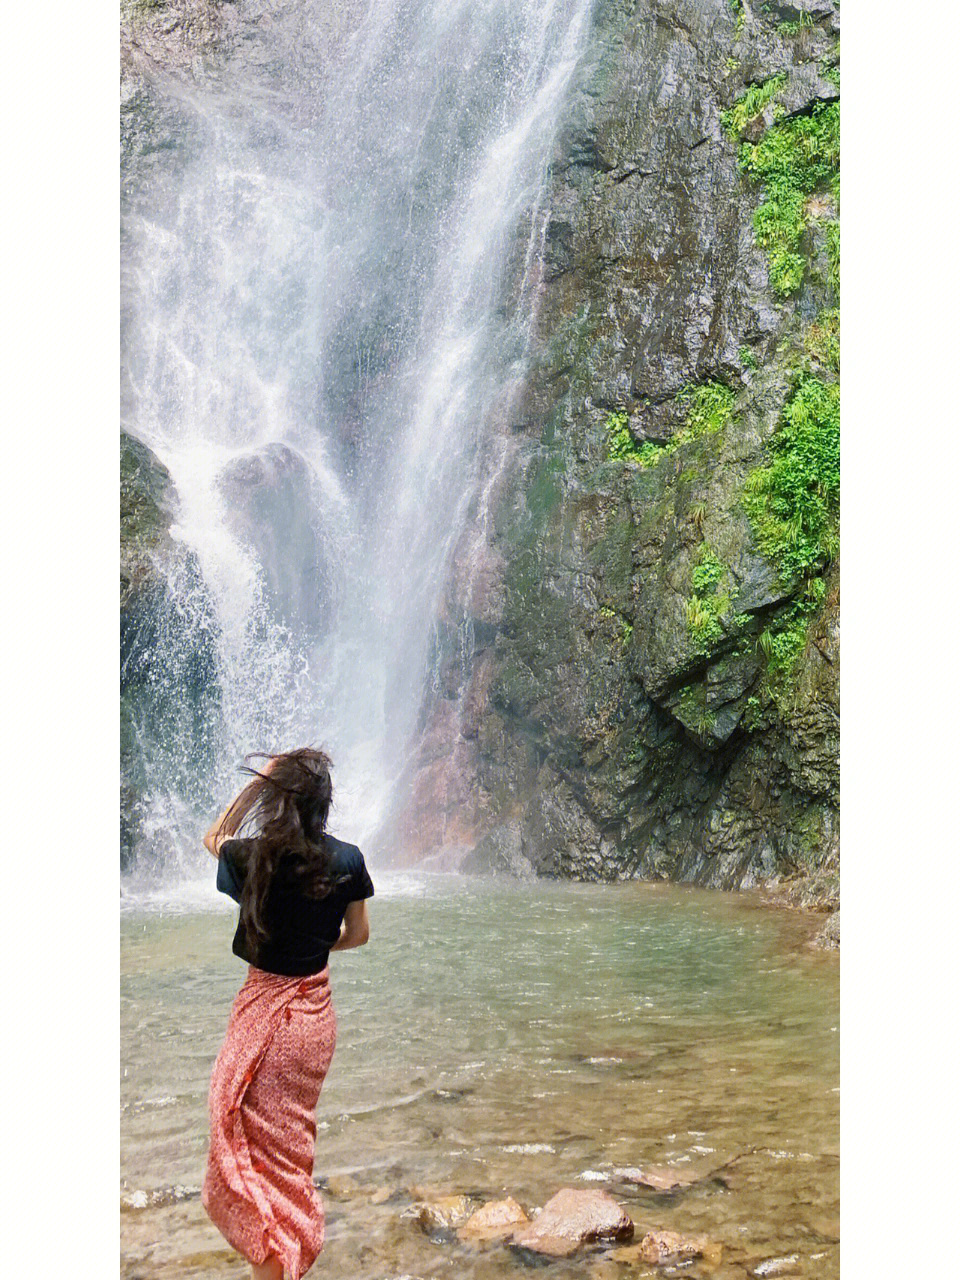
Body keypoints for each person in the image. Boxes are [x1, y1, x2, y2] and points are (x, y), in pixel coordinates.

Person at [200, 747, 374, 1280]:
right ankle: (286, 1259)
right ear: (325, 803)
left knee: (234, 1131)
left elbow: (213, 836)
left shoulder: (254, 858)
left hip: (264, 1011)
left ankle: (277, 1261)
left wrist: (260, 783)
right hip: (314, 1018)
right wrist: (319, 947)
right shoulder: (348, 860)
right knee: (288, 1153)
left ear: (278, 801)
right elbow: (359, 936)